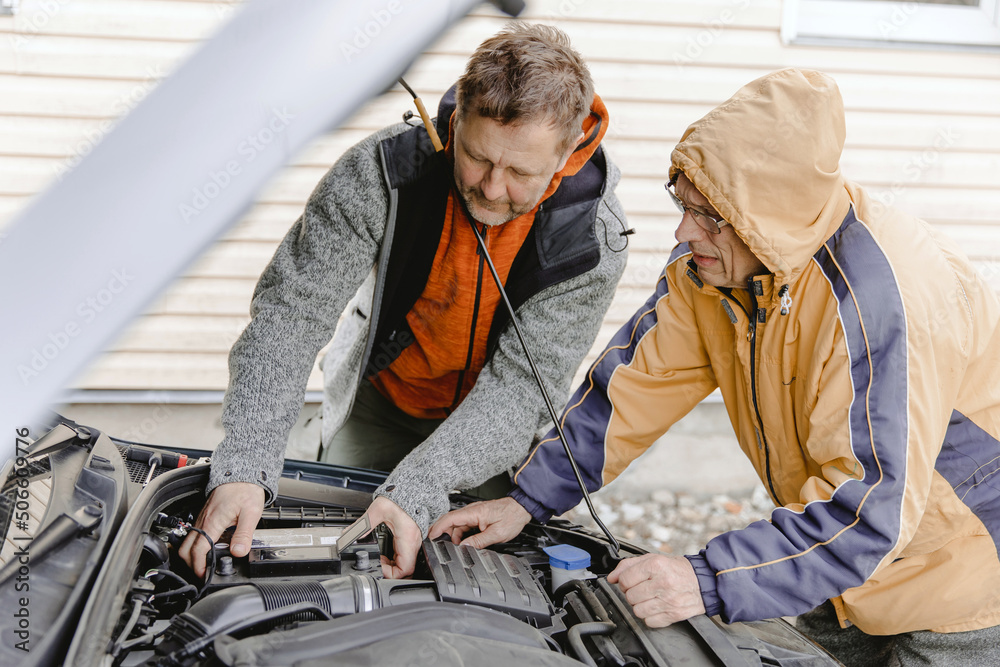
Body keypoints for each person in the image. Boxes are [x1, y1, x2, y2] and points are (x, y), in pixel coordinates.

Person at [431, 68, 1000, 666]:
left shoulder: (880, 306)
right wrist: (526, 501)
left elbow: (867, 511)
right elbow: (630, 388)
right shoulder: (717, 268)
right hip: (843, 568)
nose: (684, 230)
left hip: (961, 585)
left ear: (767, 219)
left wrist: (704, 579)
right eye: (685, 205)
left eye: (709, 217)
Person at [178, 22, 629, 581]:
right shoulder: (381, 173)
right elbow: (292, 314)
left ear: (565, 156)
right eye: (477, 157)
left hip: (491, 427)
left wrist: (415, 491)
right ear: (454, 122)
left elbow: (519, 390)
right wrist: (245, 461)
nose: (491, 188)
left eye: (519, 172)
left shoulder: (594, 240)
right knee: (313, 540)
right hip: (380, 396)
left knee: (471, 574)